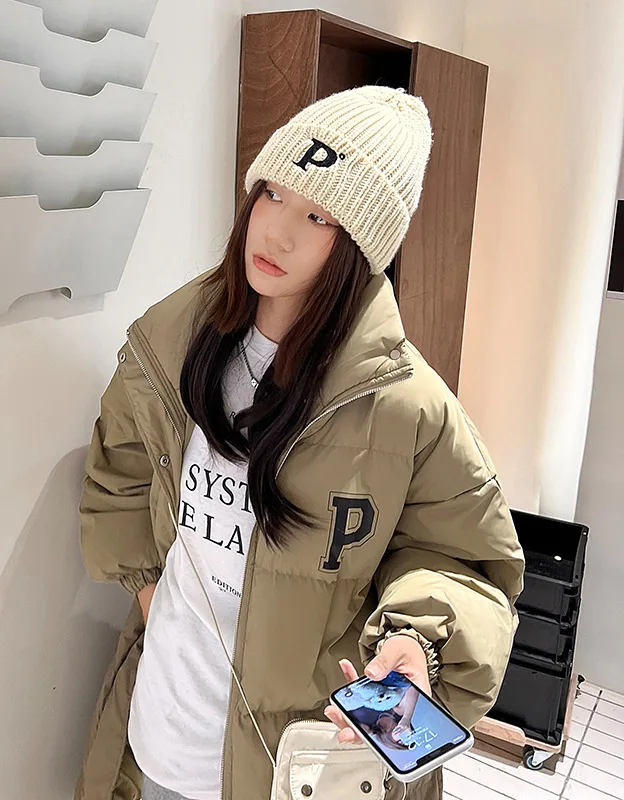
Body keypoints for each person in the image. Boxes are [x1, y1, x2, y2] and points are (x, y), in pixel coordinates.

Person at [75, 86, 525, 800]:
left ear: (360, 246)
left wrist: (417, 640)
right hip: (160, 733)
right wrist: (151, 592)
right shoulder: (172, 339)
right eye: (273, 194)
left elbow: (464, 562)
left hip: (297, 763)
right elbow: (122, 466)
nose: (277, 233)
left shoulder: (408, 406)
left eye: (319, 216)